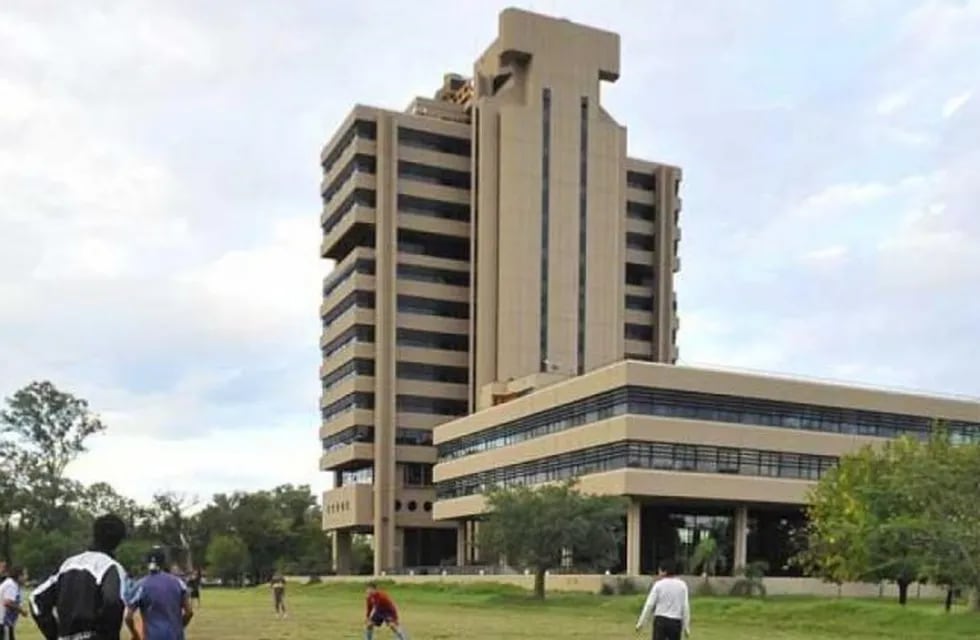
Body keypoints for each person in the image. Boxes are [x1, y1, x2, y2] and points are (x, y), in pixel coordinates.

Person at [31, 514, 129, 640]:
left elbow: (35, 599)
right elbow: (112, 601)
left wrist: (53, 633)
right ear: (118, 541)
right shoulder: (112, 567)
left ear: (94, 534)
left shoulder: (67, 564)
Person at [124, 547, 193, 640]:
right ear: (164, 562)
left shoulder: (141, 585)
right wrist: (179, 627)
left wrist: (135, 634)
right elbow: (189, 612)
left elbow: (128, 617)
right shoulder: (178, 582)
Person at [635, 559, 691, 640]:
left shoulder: (658, 585)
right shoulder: (682, 585)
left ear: (664, 571)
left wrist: (641, 622)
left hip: (660, 621)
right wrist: (686, 626)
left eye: (660, 571)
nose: (658, 573)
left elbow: (649, 605)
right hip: (675, 622)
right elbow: (685, 607)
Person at [1, 566, 29, 640]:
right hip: (3, 622)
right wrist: (21, 610)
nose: (27, 577)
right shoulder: (11, 585)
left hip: (6, 623)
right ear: (19, 576)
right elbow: (7, 602)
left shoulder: (13, 584)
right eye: (25, 574)